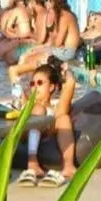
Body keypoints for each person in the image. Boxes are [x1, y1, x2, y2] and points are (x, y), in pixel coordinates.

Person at [15, 57, 78, 188]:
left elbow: (70, 85)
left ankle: (68, 166)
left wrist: (65, 70)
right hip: (25, 132)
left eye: (40, 83)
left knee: (64, 118)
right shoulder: (26, 102)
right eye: (32, 84)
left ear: (51, 87)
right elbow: (13, 71)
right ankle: (32, 161)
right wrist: (36, 64)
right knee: (38, 109)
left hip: (48, 130)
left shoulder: (55, 108)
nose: (35, 87)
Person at [9, 0, 81, 80]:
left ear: (55, 2)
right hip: (62, 50)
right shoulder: (61, 15)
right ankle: (27, 81)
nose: (47, 3)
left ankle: (27, 81)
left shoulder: (64, 16)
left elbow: (58, 42)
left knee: (33, 58)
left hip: (67, 52)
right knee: (28, 55)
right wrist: (40, 48)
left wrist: (43, 48)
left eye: (50, 1)